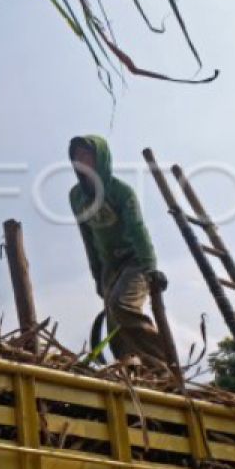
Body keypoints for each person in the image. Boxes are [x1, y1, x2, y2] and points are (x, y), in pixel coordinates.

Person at [68, 135, 172, 365]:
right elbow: (88, 238)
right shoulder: (76, 197)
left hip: (135, 261)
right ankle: (132, 371)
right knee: (114, 324)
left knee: (122, 306)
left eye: (86, 154)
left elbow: (138, 231)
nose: (81, 160)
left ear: (101, 158)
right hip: (108, 267)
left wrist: (150, 268)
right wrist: (97, 275)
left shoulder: (121, 192)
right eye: (76, 157)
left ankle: (164, 365)